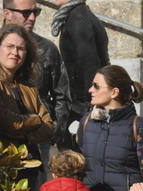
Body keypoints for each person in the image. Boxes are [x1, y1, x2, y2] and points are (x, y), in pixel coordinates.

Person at [0, 0, 70, 154]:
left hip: (36, 146)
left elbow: (61, 95)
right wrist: (35, 120)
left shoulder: (47, 51)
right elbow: (2, 119)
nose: (33, 18)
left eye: (36, 12)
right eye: (26, 13)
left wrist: (54, 131)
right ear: (7, 13)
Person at [0, 24, 54, 190]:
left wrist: (25, 136)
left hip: (31, 165)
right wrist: (35, 120)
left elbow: (49, 127)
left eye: (21, 49)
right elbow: (7, 122)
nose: (15, 53)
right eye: (10, 46)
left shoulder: (28, 87)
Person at [51, 0, 109, 143]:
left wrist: (84, 102)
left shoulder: (78, 18)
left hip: (84, 101)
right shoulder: (79, 14)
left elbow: (87, 63)